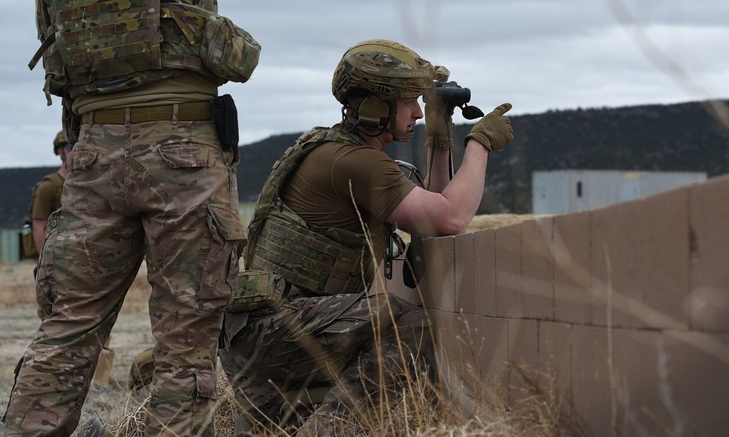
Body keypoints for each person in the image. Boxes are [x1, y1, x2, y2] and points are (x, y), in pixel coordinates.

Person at [3, 0, 443, 437]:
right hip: (178, 153)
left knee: (66, 336)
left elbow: (60, 56)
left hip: (91, 155)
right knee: (186, 342)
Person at [219, 39, 514, 435]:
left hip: (266, 334)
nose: (416, 112)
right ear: (376, 108)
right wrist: (480, 144)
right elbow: (450, 218)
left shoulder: (339, 150)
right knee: (414, 328)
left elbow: (430, 210)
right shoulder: (356, 163)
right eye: (409, 102)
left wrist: (439, 139)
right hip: (275, 333)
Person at [23, 131, 71, 260]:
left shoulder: (88, 184)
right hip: (58, 258)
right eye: (70, 147)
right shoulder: (49, 187)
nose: (75, 152)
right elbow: (38, 227)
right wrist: (45, 264)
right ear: (60, 151)